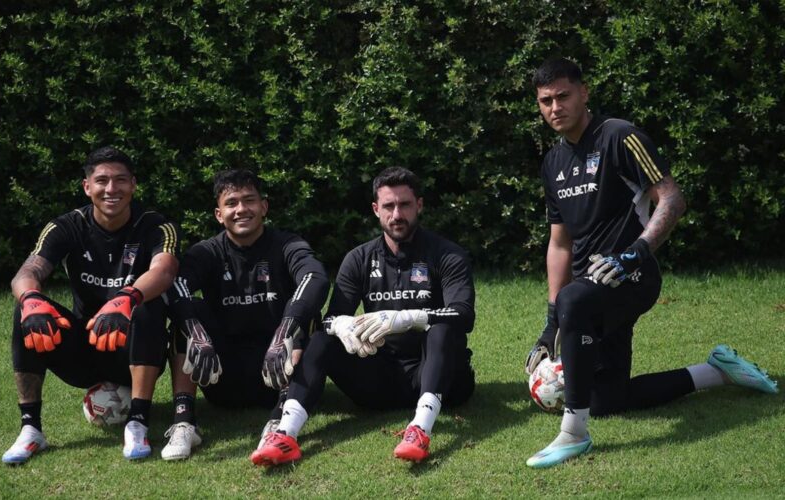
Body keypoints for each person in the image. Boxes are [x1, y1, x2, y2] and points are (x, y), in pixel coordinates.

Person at [524, 58, 779, 468]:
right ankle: (718, 371)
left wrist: (635, 254)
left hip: (633, 275)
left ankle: (573, 435)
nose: (555, 107)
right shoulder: (552, 163)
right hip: (587, 290)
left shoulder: (620, 136)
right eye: (545, 101)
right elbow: (559, 244)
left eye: (563, 96)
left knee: (575, 301)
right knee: (606, 399)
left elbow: (672, 199)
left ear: (584, 93)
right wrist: (552, 321)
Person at [251, 166, 476, 466]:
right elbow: (331, 319)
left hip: (442, 378)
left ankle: (420, 430)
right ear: (375, 209)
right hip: (379, 380)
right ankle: (285, 435)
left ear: (419, 205)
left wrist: (408, 318)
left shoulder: (447, 254)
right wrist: (343, 325)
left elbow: (463, 315)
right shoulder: (359, 258)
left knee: (441, 327)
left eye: (405, 204)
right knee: (322, 337)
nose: (397, 215)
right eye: (388, 206)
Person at [2, 146, 180, 464]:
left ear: (133, 185)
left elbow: (164, 271)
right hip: (83, 347)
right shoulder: (67, 226)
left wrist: (126, 299)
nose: (112, 189)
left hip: (130, 349)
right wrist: (30, 300)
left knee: (149, 306)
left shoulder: (156, 225)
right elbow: (27, 272)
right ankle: (31, 429)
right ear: (87, 186)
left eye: (120, 180)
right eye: (102, 181)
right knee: (26, 311)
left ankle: (138, 422)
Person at [162, 169, 330, 460]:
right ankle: (184, 420)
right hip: (220, 377)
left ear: (263, 207)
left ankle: (280, 418)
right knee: (188, 314)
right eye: (232, 203)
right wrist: (198, 334)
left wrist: (284, 331)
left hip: (277, 374)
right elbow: (174, 287)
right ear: (219, 213)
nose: (241, 209)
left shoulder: (286, 244)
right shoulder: (207, 252)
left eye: (249, 200)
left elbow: (315, 277)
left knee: (309, 316)